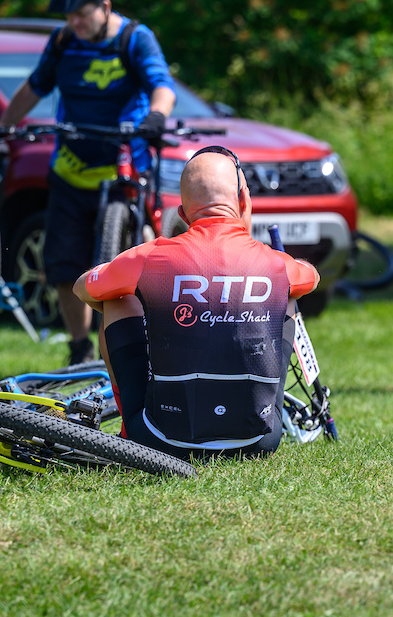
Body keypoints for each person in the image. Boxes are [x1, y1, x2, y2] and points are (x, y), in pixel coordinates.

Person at [72, 146, 320, 460]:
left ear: (183, 215)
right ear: (243, 202)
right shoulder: (278, 264)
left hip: (161, 440)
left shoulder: (150, 257)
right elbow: (311, 277)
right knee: (288, 296)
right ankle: (267, 412)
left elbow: (83, 289)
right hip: (259, 442)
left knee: (116, 299)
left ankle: (129, 428)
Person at [0, 0, 177, 364]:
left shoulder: (134, 38)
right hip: (70, 168)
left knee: (126, 263)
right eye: (69, 15)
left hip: (121, 169)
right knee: (63, 266)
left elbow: (163, 85)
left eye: (81, 14)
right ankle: (79, 349)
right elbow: (35, 86)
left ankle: (124, 348)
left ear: (105, 6)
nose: (74, 22)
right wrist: (1, 129)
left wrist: (157, 116)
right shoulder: (64, 40)